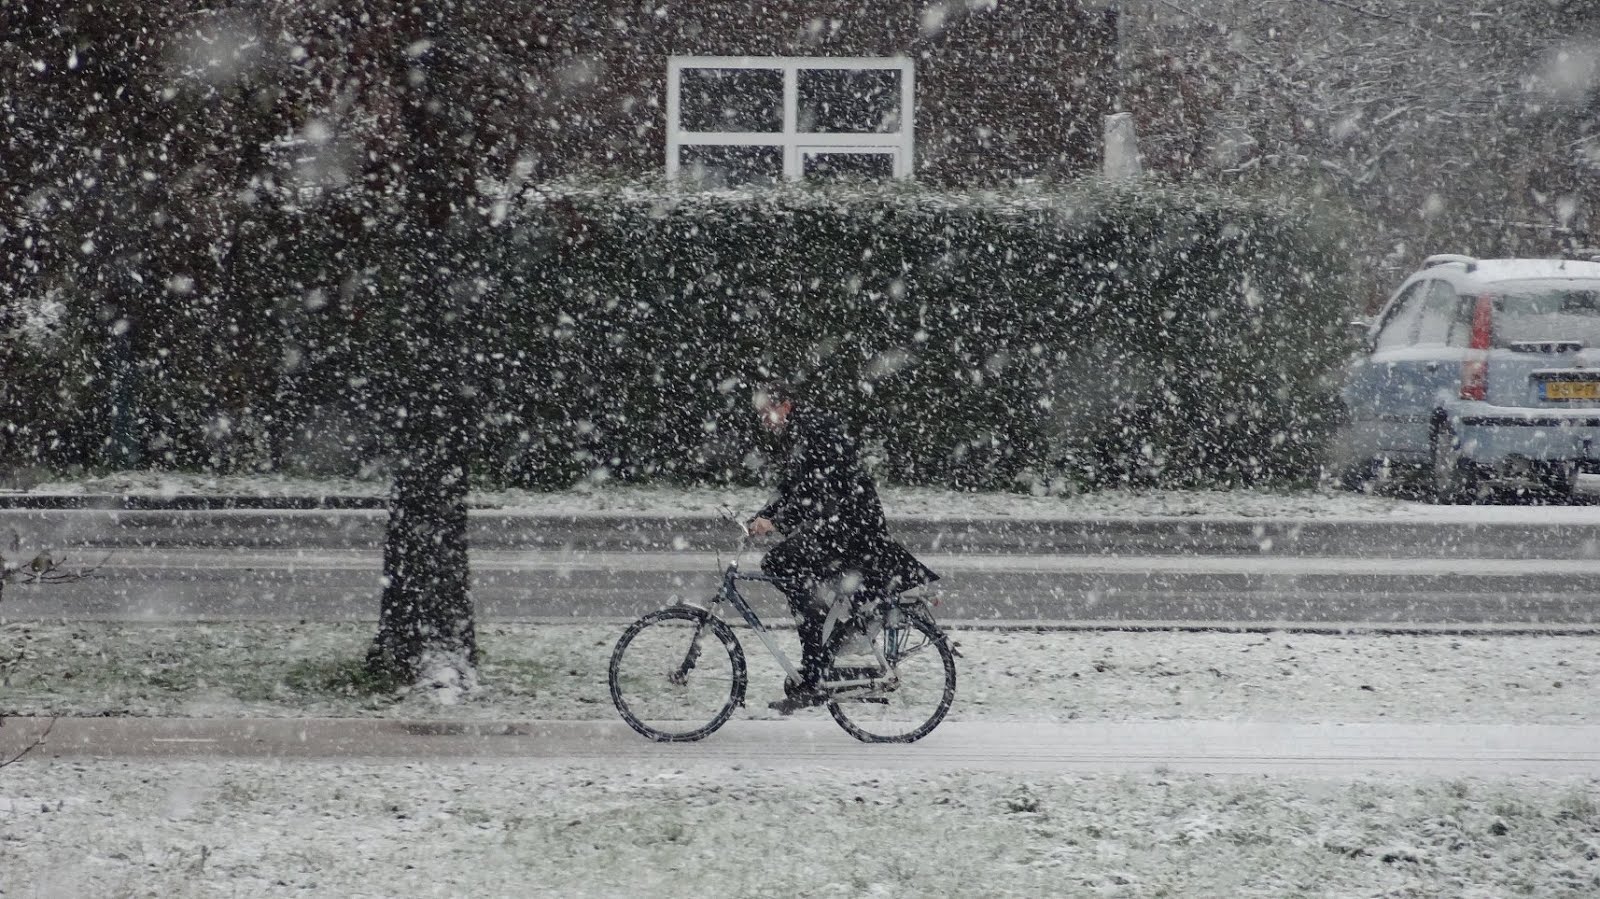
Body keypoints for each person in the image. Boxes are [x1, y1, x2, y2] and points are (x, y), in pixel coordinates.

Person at [746, 381, 938, 715]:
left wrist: (778, 521)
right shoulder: (803, 431)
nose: (765, 420)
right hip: (841, 524)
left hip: (851, 528)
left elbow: (816, 490)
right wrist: (764, 514)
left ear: (786, 406)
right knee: (790, 572)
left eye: (767, 412)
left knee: (781, 564)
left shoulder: (814, 430)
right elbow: (792, 485)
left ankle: (818, 657)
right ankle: (818, 649)